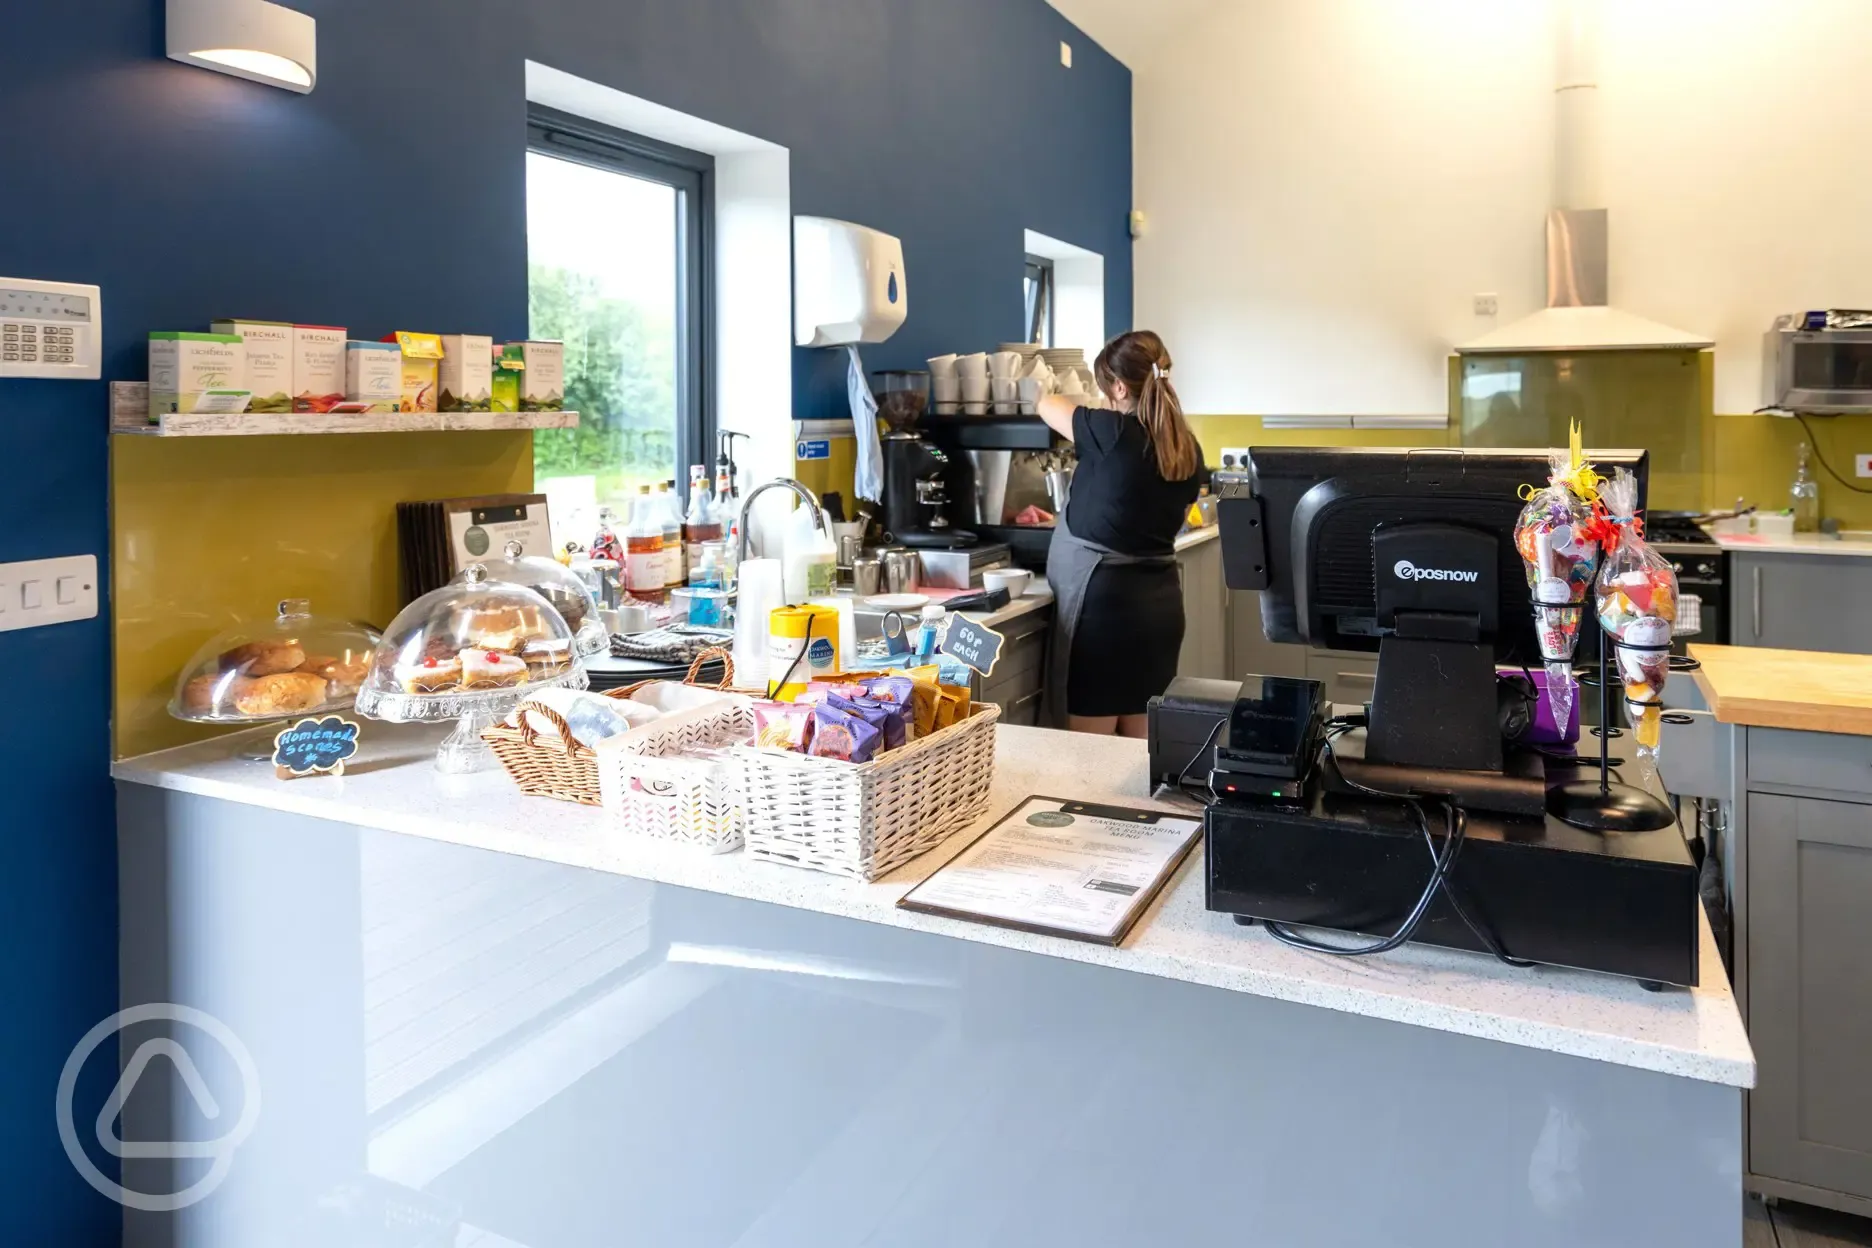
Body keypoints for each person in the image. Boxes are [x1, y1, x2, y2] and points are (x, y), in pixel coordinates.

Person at [1036, 330, 1205, 737]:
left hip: (1104, 612)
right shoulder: (1185, 445)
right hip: (1160, 608)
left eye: (1104, 387)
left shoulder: (1110, 430)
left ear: (1117, 385)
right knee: (1137, 762)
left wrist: (1097, 405)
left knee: (1089, 759)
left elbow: (1046, 404)